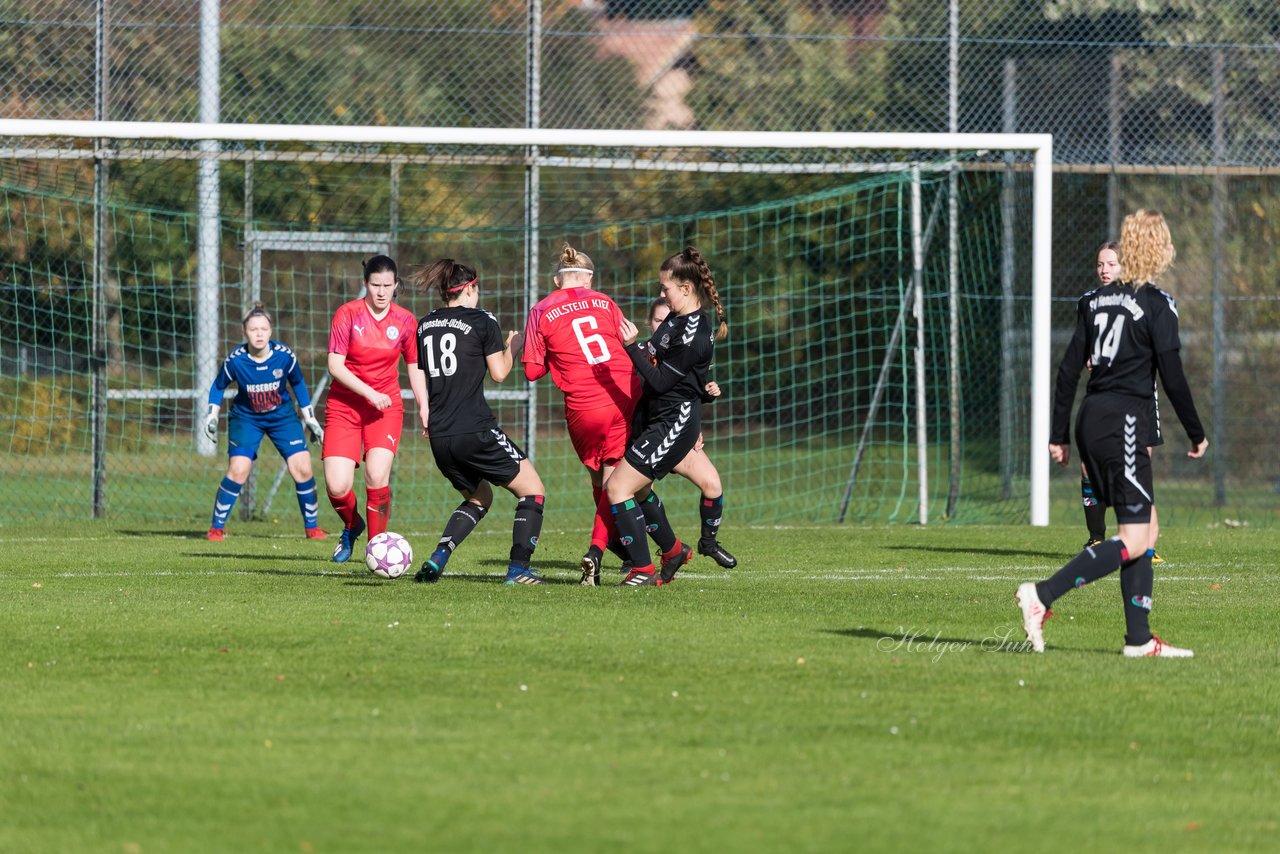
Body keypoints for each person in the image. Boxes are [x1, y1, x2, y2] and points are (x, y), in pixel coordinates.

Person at [1019, 210, 1208, 657]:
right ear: (1159, 249)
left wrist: (1059, 434)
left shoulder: (1095, 301)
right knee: (1135, 537)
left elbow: (1068, 371)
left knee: (1146, 527)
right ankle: (1041, 596)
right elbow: (1174, 378)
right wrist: (1196, 433)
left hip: (1092, 417)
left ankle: (1139, 640)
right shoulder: (1157, 303)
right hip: (1123, 422)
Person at [410, 258, 547, 586]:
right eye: (477, 288)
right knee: (533, 491)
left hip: (441, 435)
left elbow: (422, 370)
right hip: (475, 428)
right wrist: (513, 347)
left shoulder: (425, 325)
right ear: (469, 289)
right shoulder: (482, 319)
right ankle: (518, 570)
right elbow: (499, 373)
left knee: (479, 497)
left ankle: (439, 557)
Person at [521, 243, 643, 586]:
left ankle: (617, 549)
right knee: (614, 482)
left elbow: (531, 372)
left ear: (557, 281)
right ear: (588, 280)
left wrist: (555, 356)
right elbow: (627, 339)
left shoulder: (541, 309)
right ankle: (599, 549)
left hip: (583, 408)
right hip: (622, 396)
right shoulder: (605, 302)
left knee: (602, 481)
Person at [607, 245, 727, 587]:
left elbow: (659, 381)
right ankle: (673, 551)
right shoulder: (675, 320)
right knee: (639, 490)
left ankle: (643, 570)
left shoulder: (694, 334)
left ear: (686, 288)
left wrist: (630, 348)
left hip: (674, 423)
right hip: (656, 417)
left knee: (618, 488)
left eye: (666, 288)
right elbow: (654, 356)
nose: (662, 294)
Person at [322, 255, 427, 563]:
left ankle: (376, 549)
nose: (381, 292)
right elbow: (334, 365)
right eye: (375, 285)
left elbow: (414, 366)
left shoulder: (406, 320)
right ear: (365, 284)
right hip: (345, 406)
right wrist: (369, 393)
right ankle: (353, 525)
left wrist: (424, 405)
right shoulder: (347, 314)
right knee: (337, 485)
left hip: (385, 409)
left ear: (396, 286)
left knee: (376, 476)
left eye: (388, 286)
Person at [1068, 242, 1165, 564]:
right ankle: (1096, 537)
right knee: (1088, 465)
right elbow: (1083, 348)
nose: (1105, 270)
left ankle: (1145, 547)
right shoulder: (1088, 303)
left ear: (1126, 267)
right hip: (1104, 395)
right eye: (1100, 264)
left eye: (1111, 263)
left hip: (1138, 396)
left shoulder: (1144, 300)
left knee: (1140, 465)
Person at [202, 304, 326, 540]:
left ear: (271, 331)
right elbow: (218, 387)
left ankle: (312, 528)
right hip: (246, 418)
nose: (259, 333)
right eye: (253, 329)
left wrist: (310, 418)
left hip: (282, 417)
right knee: (238, 470)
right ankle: (216, 528)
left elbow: (298, 384)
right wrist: (211, 415)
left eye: (263, 329)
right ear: (245, 332)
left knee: (302, 468)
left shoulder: (284, 356)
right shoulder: (235, 361)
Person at [646, 296, 737, 570]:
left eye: (668, 321)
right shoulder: (643, 354)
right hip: (650, 434)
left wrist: (706, 394)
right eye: (658, 320)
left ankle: (708, 543)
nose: (664, 325)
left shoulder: (686, 349)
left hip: (680, 435)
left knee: (713, 485)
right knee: (635, 493)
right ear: (649, 323)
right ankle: (651, 553)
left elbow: (686, 393)